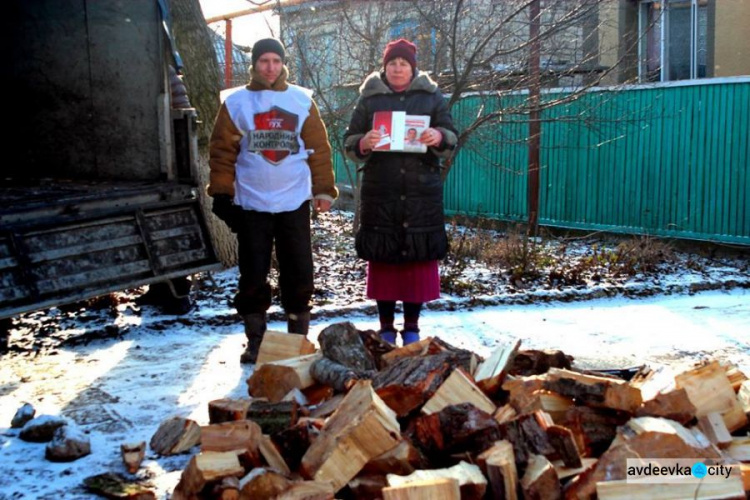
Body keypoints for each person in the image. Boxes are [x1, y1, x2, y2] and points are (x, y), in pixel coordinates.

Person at [207, 38, 338, 364]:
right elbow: (222, 151)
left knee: (299, 271)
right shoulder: (236, 103)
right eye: (264, 61)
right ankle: (256, 341)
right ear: (254, 65)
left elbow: (318, 150)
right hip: (251, 202)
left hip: (294, 200)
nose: (270, 67)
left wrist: (323, 190)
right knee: (252, 274)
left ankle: (297, 340)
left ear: (283, 65)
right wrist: (222, 192)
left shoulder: (300, 100)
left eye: (275, 61)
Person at [344, 39, 457, 346]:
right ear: (385, 66)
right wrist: (364, 141)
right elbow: (349, 141)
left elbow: (451, 136)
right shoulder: (369, 99)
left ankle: (411, 327)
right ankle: (384, 327)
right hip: (382, 192)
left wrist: (438, 135)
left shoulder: (432, 97)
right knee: (384, 260)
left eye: (403, 63)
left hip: (421, 192)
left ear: (412, 67)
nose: (397, 68)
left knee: (416, 262)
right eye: (392, 63)